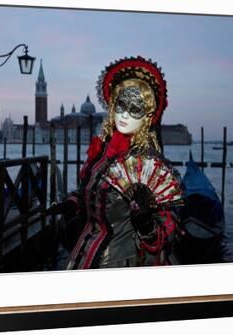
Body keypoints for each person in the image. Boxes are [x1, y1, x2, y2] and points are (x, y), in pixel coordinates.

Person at [55, 56, 184, 269]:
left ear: (147, 116)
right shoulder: (102, 153)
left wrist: (147, 225)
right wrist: (72, 203)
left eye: (134, 109)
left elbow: (167, 235)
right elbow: (92, 193)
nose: (124, 115)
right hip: (85, 256)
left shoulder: (151, 166)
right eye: (121, 106)